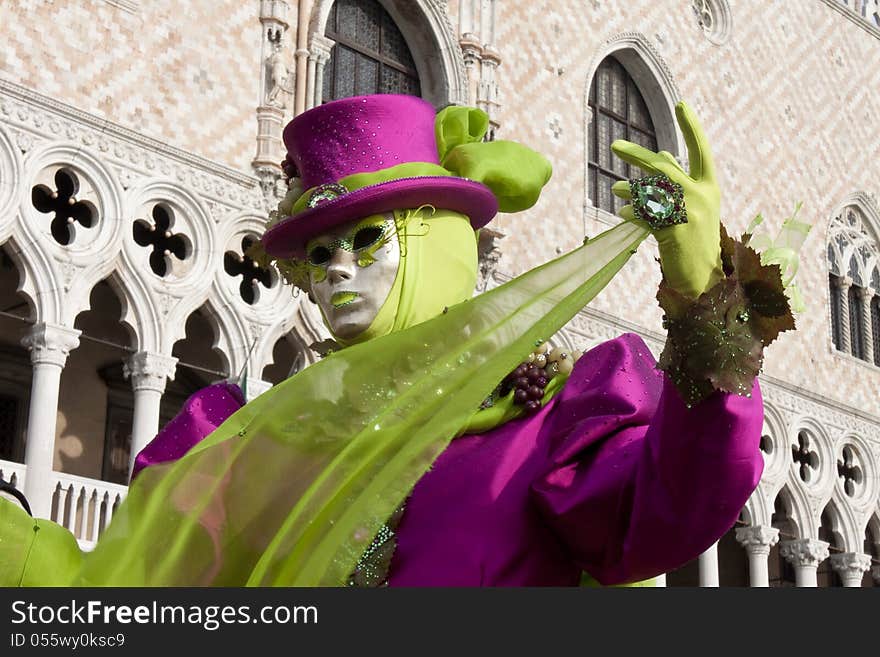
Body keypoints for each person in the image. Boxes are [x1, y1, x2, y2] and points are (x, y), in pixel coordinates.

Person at [2, 94, 798, 587]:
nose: (338, 271)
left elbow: (677, 501)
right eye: (320, 253)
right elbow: (127, 592)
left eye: (368, 241)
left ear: (435, 243)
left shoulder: (544, 423)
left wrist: (706, 297)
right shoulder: (260, 444)